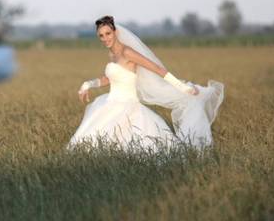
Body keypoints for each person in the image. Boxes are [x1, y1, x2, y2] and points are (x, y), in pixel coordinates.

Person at [69, 15, 223, 151]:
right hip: (109, 102)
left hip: (127, 104)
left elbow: (157, 69)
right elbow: (111, 78)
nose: (105, 38)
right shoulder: (112, 54)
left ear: (115, 32)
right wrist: (88, 84)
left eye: (108, 33)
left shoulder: (127, 52)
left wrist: (182, 87)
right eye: (101, 36)